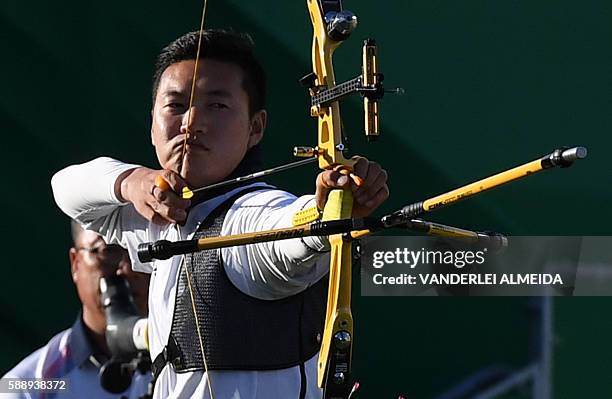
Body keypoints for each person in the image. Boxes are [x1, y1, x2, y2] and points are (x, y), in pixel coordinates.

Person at [51, 29, 389, 399]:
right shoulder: (153, 217)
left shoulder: (250, 214)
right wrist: (132, 181)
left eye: (217, 105)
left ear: (255, 128)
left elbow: (287, 231)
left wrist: (326, 211)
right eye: (176, 105)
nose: (190, 122)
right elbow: (65, 187)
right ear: (152, 123)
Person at [1, 222, 151, 399]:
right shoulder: (25, 387)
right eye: (108, 250)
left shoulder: (188, 353)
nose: (128, 268)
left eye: (142, 248)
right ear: (75, 263)